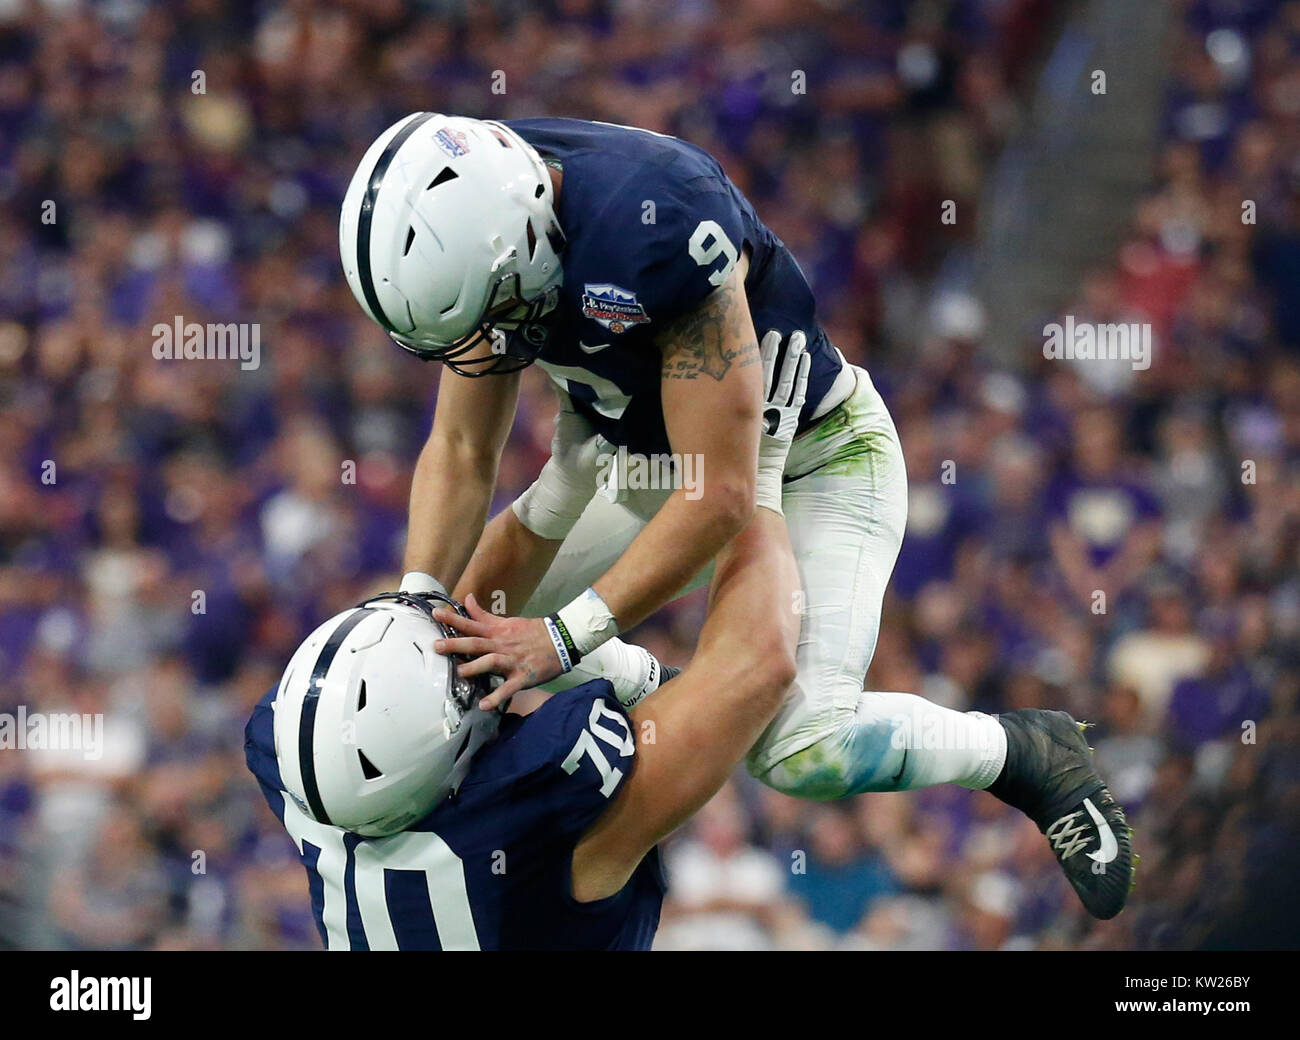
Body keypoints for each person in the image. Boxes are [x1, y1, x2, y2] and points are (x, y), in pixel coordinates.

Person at [338, 114, 1132, 919]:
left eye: (497, 311)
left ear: (526, 233)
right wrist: (417, 593)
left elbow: (719, 495)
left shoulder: (654, 221)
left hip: (805, 455)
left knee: (802, 750)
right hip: (651, 467)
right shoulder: (484, 219)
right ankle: (660, 685)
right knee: (453, 643)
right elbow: (463, 444)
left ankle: (1021, 752)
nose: (488, 348)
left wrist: (564, 640)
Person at [241, 335, 807, 949]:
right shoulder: (527, 843)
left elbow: (469, 618)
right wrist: (758, 471)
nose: (456, 647)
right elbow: (757, 668)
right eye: (462, 684)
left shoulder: (319, 774)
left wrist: (562, 486)